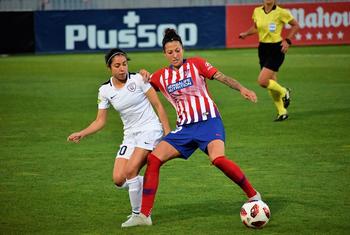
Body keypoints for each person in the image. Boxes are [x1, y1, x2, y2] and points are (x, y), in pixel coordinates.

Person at [122, 28, 262, 227]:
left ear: (182, 49)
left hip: (209, 121)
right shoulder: (161, 76)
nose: (175, 55)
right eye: (170, 52)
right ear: (165, 54)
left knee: (218, 159)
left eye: (177, 50)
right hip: (184, 129)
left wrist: (242, 88)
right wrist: (142, 74)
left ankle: (253, 194)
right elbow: (140, 85)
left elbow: (222, 77)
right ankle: (144, 215)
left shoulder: (197, 64)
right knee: (154, 159)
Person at [67, 48, 170, 227]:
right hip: (130, 135)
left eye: (124, 64)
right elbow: (100, 121)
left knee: (130, 171)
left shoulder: (139, 79)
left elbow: (158, 106)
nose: (122, 68)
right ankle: (146, 183)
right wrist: (82, 133)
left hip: (150, 130)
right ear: (109, 68)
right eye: (117, 66)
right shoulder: (105, 90)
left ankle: (139, 216)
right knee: (118, 179)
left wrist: (167, 133)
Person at [239, 0, 299, 121]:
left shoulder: (281, 12)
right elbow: (256, 27)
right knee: (271, 83)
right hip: (263, 49)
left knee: (262, 81)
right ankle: (282, 112)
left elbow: (295, 25)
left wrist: (287, 41)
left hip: (276, 49)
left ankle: (284, 91)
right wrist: (246, 33)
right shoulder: (257, 11)